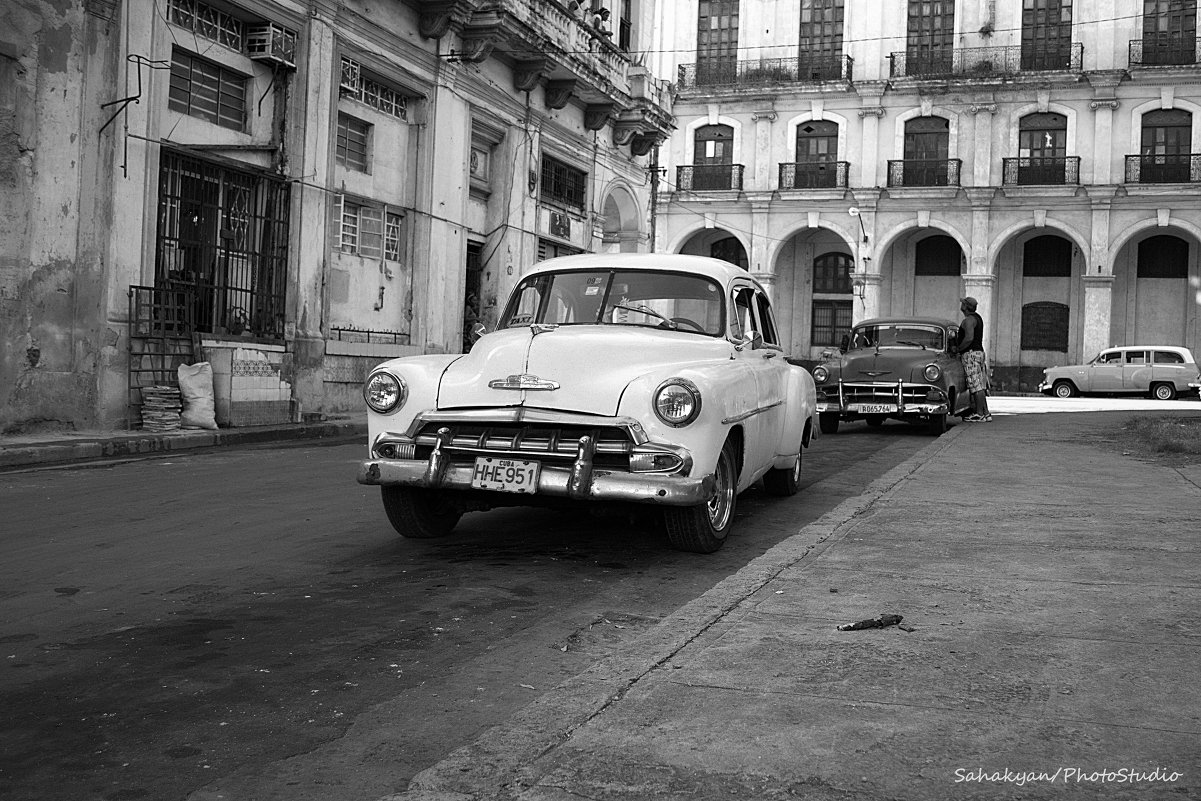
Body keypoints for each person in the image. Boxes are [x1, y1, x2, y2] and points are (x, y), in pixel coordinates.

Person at [954, 296, 992, 422]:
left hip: (970, 355)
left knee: (975, 386)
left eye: (963, 303)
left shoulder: (968, 320)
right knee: (980, 385)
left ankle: (979, 414)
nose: (961, 305)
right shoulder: (978, 318)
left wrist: (959, 349)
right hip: (979, 353)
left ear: (965, 306)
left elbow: (969, 338)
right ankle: (986, 413)